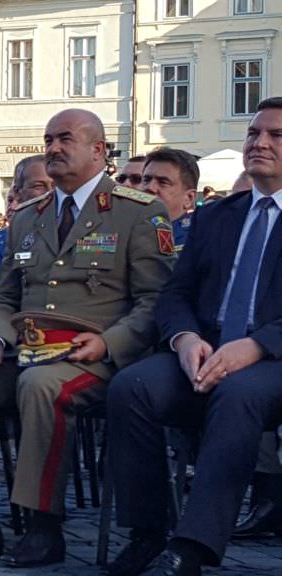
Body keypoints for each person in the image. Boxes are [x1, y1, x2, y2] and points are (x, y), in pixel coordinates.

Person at [0, 109, 174, 568]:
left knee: (42, 386)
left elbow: (154, 301)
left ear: (99, 151)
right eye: (48, 139)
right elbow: (4, 295)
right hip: (25, 349)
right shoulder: (29, 216)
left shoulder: (137, 212)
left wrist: (109, 344)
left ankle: (42, 525)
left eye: (66, 138)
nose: (54, 148)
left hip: (94, 356)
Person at [106, 97, 282, 576]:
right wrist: (183, 338)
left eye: (275, 135)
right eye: (253, 133)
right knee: (132, 387)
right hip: (204, 348)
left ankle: (193, 546)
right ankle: (147, 533)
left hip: (270, 358)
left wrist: (258, 345)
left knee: (238, 395)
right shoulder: (217, 216)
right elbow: (176, 292)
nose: (259, 142)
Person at [0, 155, 54, 285]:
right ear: (18, 192)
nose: (50, 192)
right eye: (39, 186)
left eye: (56, 185)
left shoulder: (72, 232)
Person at [140, 148, 198, 252]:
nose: (150, 188)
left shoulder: (196, 240)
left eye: (163, 182)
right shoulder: (125, 229)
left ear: (188, 198)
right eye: (146, 180)